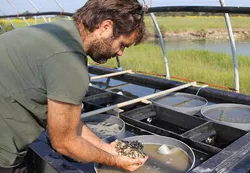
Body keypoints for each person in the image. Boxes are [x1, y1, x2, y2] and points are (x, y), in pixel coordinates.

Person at [0, 0, 148, 172]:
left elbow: (69, 121)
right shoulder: (70, 63)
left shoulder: (58, 31)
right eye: (122, 44)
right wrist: (115, 161)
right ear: (106, 26)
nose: (120, 52)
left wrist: (107, 148)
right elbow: (65, 143)